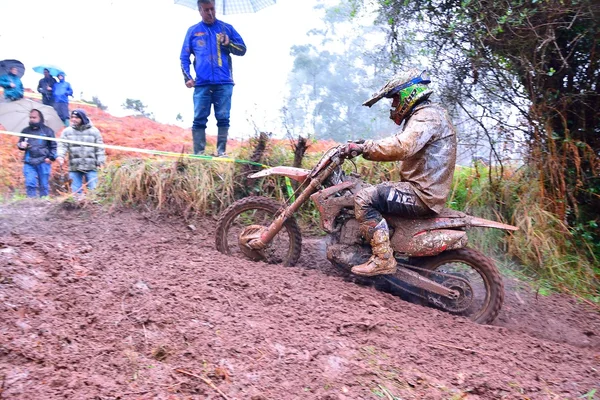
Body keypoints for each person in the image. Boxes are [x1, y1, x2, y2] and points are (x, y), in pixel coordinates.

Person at [339, 69, 457, 276]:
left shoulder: (427, 116)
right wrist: (364, 145)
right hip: (425, 191)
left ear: (407, 94)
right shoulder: (428, 114)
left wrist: (365, 147)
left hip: (421, 194)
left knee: (364, 198)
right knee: (370, 189)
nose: (393, 106)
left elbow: (402, 146)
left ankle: (383, 259)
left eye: (394, 99)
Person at [180, 0, 246, 156]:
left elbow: (242, 49)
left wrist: (229, 44)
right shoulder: (193, 31)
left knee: (223, 118)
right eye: (206, 10)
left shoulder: (226, 29)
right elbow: (184, 56)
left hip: (224, 82)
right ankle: (199, 153)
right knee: (199, 118)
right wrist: (187, 77)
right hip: (202, 83)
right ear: (200, 10)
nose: (210, 13)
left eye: (212, 9)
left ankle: (221, 152)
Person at [57, 109, 106, 195]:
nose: (73, 119)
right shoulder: (67, 132)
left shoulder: (94, 131)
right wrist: (60, 155)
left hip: (91, 166)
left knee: (93, 192)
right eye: (72, 117)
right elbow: (62, 145)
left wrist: (101, 162)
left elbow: (99, 148)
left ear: (82, 118)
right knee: (75, 193)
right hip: (74, 167)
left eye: (76, 117)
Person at [17, 109, 57, 198]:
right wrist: (21, 145)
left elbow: (54, 146)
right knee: (30, 183)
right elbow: (19, 144)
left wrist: (51, 158)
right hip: (29, 161)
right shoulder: (25, 131)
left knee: (44, 185)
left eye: (34, 117)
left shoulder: (48, 131)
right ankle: (31, 204)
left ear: (40, 118)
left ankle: (44, 204)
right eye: (30, 117)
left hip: (43, 161)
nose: (32, 119)